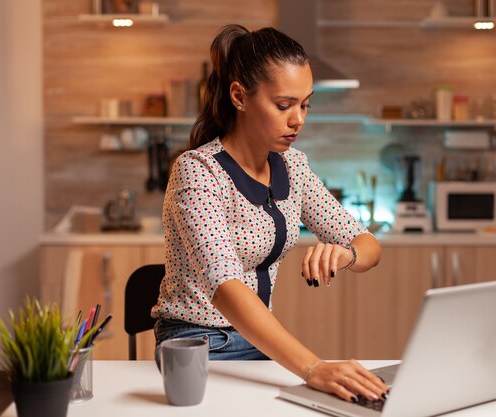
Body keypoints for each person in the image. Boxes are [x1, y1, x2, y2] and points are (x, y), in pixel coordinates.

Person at [151, 24, 387, 403]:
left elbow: (369, 244)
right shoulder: (198, 170)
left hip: (261, 344)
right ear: (239, 96)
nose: (298, 120)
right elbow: (225, 287)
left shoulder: (292, 165)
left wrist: (348, 253)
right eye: (284, 105)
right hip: (199, 345)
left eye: (305, 104)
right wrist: (314, 368)